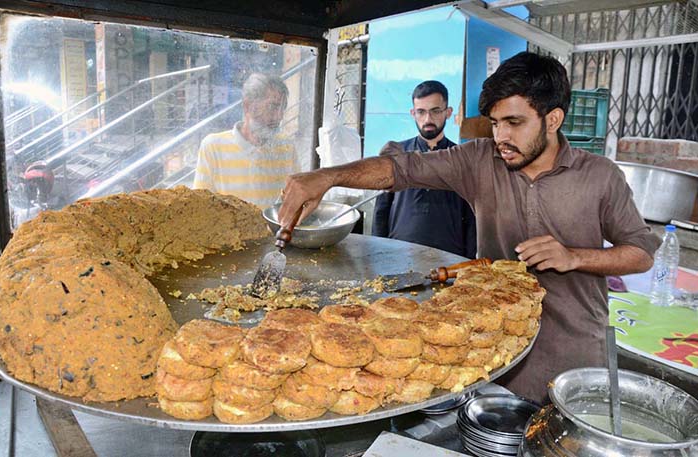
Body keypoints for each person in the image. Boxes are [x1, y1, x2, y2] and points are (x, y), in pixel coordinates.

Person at [277, 52, 660, 404]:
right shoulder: (480, 159)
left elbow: (640, 253)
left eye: (514, 123)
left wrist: (573, 256)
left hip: (570, 359)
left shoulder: (600, 177)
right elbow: (401, 168)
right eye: (495, 124)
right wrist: (326, 177)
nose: (501, 137)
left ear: (553, 119)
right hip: (490, 356)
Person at [372, 81, 476, 258]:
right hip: (399, 252)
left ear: (448, 112)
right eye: (421, 112)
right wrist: (377, 252)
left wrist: (469, 259)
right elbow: (381, 209)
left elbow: (472, 216)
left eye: (435, 111)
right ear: (413, 113)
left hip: (449, 257)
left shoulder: (462, 158)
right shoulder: (397, 154)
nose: (428, 119)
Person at [193, 73, 296, 209]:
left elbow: (295, 199)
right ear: (248, 106)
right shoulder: (213, 147)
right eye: (273, 107)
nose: (279, 117)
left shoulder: (286, 146)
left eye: (283, 108)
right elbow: (199, 205)